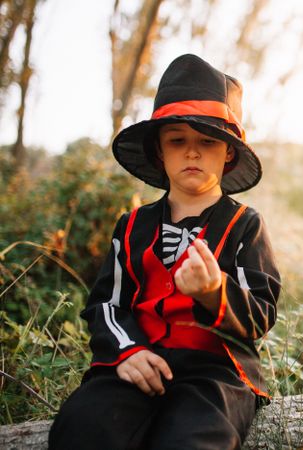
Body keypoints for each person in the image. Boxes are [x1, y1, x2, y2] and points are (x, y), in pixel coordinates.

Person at [49, 54, 281, 450]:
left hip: (215, 373)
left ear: (228, 152)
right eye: (178, 140)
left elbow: (261, 314)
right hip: (138, 362)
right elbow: (106, 304)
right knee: (82, 428)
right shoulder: (132, 226)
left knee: (194, 442)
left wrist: (213, 291)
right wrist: (127, 351)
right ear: (160, 150)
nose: (192, 152)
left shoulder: (245, 225)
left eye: (207, 141)